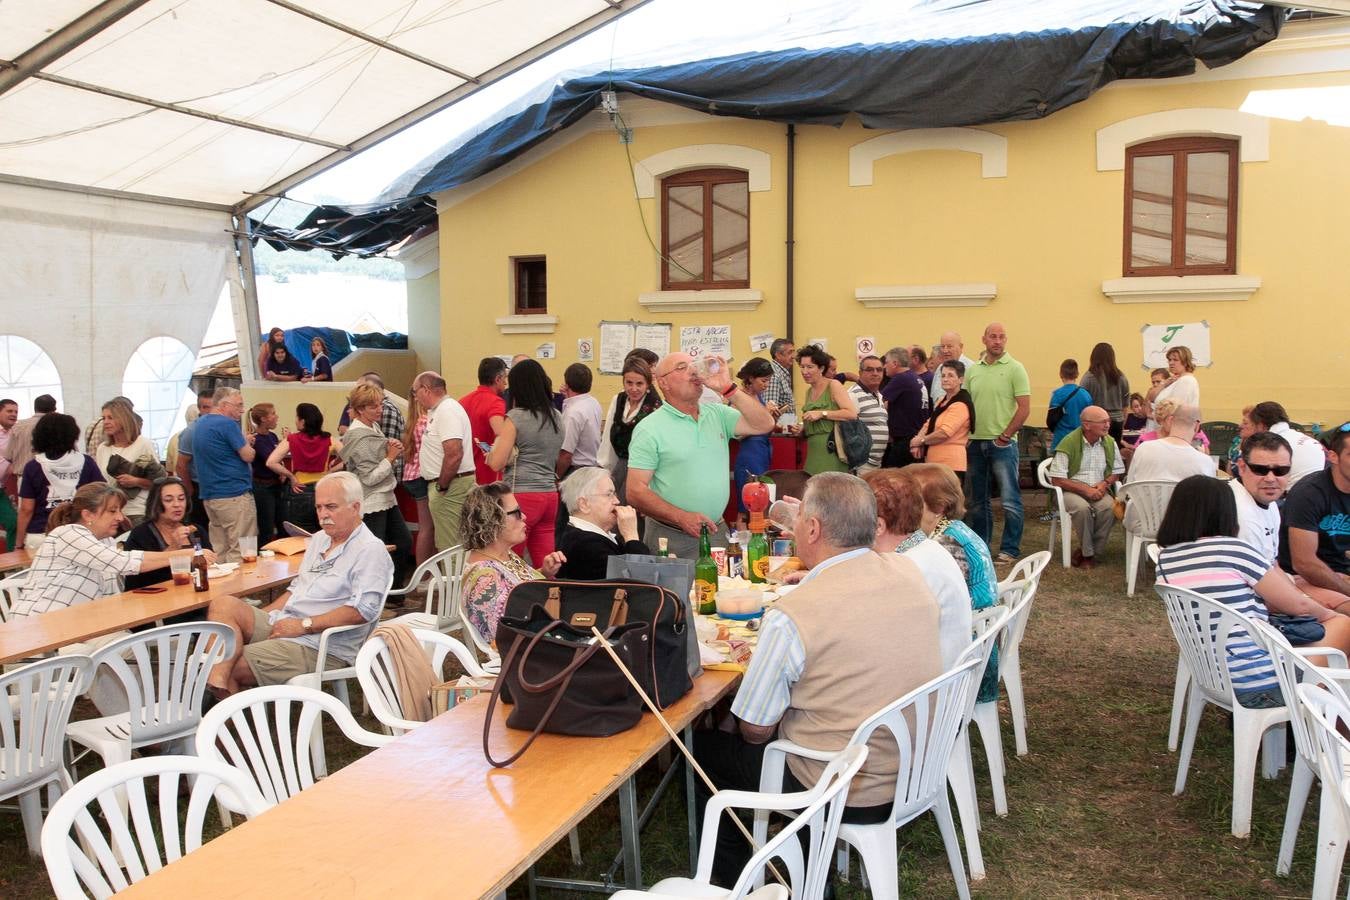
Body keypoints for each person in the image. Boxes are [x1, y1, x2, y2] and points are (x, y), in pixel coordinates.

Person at [691, 472, 942, 889]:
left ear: (812, 528)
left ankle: (736, 885)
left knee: (703, 753)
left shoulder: (795, 614)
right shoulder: (906, 569)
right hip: (912, 765)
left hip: (839, 782)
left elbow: (756, 730)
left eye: (800, 515)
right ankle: (805, 866)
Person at [1157, 474, 1350, 708]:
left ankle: (1315, 729)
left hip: (1214, 676)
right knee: (1343, 626)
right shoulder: (1234, 549)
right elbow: (1297, 605)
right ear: (1226, 511)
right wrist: (1328, 614)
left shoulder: (1165, 560)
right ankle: (1322, 732)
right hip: (1262, 683)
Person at [15, 483, 211, 712]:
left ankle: (135, 723)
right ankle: (134, 728)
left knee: (127, 646)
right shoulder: (68, 534)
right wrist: (187, 553)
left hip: (79, 627)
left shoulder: (105, 541)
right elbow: (125, 563)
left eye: (120, 510)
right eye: (112, 511)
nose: (120, 517)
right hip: (37, 631)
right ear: (88, 515)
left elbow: (111, 594)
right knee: (109, 653)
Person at [205, 472, 392, 696]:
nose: (323, 515)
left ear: (355, 507)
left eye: (331, 507)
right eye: (319, 507)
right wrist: (258, 622)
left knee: (230, 662)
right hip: (291, 623)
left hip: (321, 644)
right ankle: (217, 679)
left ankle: (229, 722)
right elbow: (296, 589)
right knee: (224, 604)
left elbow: (362, 610)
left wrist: (303, 625)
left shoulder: (370, 549)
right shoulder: (320, 539)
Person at [627, 351, 774, 559]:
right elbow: (635, 491)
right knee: (675, 592)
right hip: (671, 536)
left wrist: (728, 388)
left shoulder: (717, 414)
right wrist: (681, 517)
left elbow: (765, 424)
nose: (693, 371)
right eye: (681, 367)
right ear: (663, 383)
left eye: (693, 365)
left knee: (721, 590)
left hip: (715, 531)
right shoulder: (649, 428)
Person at [909, 462, 1002, 703]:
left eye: (912, 502)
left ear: (938, 507)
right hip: (976, 643)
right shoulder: (955, 530)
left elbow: (932, 604)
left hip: (966, 662)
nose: (903, 508)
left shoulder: (947, 543)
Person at [865, 468, 971, 667]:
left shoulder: (905, 568)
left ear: (878, 526)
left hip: (930, 688)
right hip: (947, 677)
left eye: (857, 517)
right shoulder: (926, 548)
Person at [459, 482, 566, 647]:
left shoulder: (504, 555)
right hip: (529, 657)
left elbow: (515, 588)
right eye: (516, 512)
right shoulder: (485, 580)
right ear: (492, 520)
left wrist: (544, 572)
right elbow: (501, 641)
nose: (524, 517)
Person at [485, 359, 564, 565]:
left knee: (510, 560)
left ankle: (513, 597)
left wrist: (492, 453)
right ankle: (549, 595)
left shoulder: (516, 417)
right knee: (545, 562)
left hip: (522, 495)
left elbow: (497, 463)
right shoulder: (556, 416)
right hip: (549, 494)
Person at [964, 322, 1031, 563]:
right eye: (993, 337)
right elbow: (965, 406)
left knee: (1010, 498)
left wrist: (1005, 436)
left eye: (1002, 337)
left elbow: (1024, 408)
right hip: (974, 442)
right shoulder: (973, 370)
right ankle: (982, 546)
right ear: (984, 339)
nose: (997, 341)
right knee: (977, 500)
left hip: (1002, 444)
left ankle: (1010, 549)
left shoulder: (1015, 368)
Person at [339, 382, 413, 589]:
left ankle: (392, 594)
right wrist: (390, 457)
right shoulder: (358, 435)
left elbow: (379, 459)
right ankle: (374, 596)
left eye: (380, 404)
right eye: (374, 406)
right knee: (374, 552)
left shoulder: (373, 427)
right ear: (360, 409)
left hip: (385, 496)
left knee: (402, 543)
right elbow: (370, 478)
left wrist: (391, 450)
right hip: (371, 499)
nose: (380, 409)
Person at [1280, 424, 1350, 612]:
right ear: (1333, 457)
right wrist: (1345, 587)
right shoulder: (1310, 493)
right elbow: (1304, 563)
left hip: (1340, 574)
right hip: (1301, 577)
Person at [1047, 406, 1123, 568]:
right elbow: (1057, 479)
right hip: (1071, 490)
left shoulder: (1109, 442)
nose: (1107, 425)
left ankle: (1087, 551)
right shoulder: (1068, 442)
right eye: (1103, 422)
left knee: (1111, 508)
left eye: (1108, 421)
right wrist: (1085, 490)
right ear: (1087, 425)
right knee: (1082, 509)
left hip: (1099, 489)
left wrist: (1104, 484)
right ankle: (1088, 555)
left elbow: (1117, 471)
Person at [16, 413, 105, 550]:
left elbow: (26, 509)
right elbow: (102, 495)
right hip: (80, 532)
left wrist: (19, 543)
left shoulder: (33, 466)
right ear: (73, 435)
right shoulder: (86, 462)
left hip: (41, 533)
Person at [194, 387, 257, 563]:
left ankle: (221, 588)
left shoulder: (201, 423)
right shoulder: (227, 424)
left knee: (219, 549)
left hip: (211, 496)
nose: (242, 410)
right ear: (224, 405)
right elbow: (248, 455)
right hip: (234, 494)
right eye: (239, 405)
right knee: (241, 549)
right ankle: (239, 589)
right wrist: (246, 443)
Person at [414, 371, 475, 552]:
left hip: (451, 486)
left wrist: (442, 486)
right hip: (449, 484)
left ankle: (455, 580)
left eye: (415, 392)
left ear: (426, 389)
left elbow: (454, 453)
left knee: (450, 547)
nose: (415, 398)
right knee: (449, 542)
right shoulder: (440, 410)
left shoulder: (447, 410)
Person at [555, 467, 649, 580]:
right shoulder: (586, 544)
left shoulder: (585, 535)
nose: (617, 501)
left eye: (615, 494)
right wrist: (631, 535)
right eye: (609, 495)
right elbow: (641, 581)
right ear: (584, 504)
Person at [123, 476, 211, 592]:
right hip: (156, 600)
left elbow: (210, 567)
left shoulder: (196, 530)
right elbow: (136, 580)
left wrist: (210, 561)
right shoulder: (141, 534)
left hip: (197, 593)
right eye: (168, 500)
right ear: (155, 503)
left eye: (181, 499)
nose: (177, 504)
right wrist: (174, 547)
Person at [597, 357, 661, 505]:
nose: (634, 389)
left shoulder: (656, 407)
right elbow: (607, 437)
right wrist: (604, 470)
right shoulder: (619, 400)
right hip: (619, 467)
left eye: (639, 384)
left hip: (643, 473)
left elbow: (659, 450)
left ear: (648, 384)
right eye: (629, 383)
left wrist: (651, 489)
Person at [92, 397, 165, 526]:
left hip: (138, 511)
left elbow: (159, 481)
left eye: (111, 418)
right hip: (111, 513)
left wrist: (136, 481)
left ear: (123, 419)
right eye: (104, 418)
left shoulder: (143, 444)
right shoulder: (103, 448)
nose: (106, 422)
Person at [266, 403, 336, 535]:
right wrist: (331, 471)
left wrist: (290, 476)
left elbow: (271, 462)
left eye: (297, 417)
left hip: (299, 489)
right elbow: (349, 457)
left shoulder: (291, 439)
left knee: (300, 535)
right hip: (323, 490)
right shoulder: (329, 439)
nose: (295, 420)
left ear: (302, 421)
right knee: (324, 534)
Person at [795, 345, 858, 475]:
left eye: (810, 367)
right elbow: (815, 420)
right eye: (802, 367)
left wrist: (822, 413)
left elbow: (851, 414)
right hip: (813, 451)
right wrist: (803, 428)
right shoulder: (809, 391)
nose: (804, 371)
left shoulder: (833, 385)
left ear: (821, 368)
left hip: (832, 450)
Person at [1125, 403, 1216, 487]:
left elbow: (1130, 483)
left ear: (1171, 420)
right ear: (1197, 426)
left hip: (1144, 504)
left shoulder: (1143, 448)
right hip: (1182, 504)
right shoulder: (1205, 462)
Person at [910, 360, 973, 482]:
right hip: (934, 462)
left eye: (950, 375)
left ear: (961, 380)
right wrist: (917, 441)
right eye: (943, 376)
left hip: (951, 464)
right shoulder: (942, 401)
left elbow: (944, 432)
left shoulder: (960, 404)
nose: (945, 379)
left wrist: (921, 440)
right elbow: (928, 424)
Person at [731, 358, 775, 522]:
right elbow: (736, 434)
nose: (767, 385)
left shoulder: (757, 396)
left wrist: (771, 418)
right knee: (746, 508)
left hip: (762, 453)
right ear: (750, 379)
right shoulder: (739, 398)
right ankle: (743, 543)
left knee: (761, 504)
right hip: (749, 457)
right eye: (763, 380)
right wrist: (763, 413)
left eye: (769, 380)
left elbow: (764, 427)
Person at [1246, 401, 1325, 488]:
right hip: (1320, 490)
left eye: (1253, 426)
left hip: (1291, 495)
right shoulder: (1304, 438)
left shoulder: (1271, 446)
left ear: (1261, 426)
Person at [174, 388, 215, 538]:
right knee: (201, 529)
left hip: (218, 487)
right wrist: (190, 491)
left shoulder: (222, 426)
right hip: (199, 487)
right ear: (199, 408)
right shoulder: (191, 432)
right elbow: (181, 465)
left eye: (212, 406)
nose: (209, 411)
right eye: (205, 407)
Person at [460, 357, 508, 485]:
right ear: (497, 379)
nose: (506, 383)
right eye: (505, 378)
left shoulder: (463, 401)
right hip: (490, 475)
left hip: (465, 473)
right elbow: (501, 433)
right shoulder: (496, 402)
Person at [401, 391, 435, 564]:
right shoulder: (425, 421)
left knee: (426, 526)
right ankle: (423, 576)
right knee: (428, 527)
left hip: (412, 475)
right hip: (421, 476)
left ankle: (425, 574)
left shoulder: (412, 422)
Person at [879, 346, 925, 469]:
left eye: (886, 363)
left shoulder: (900, 378)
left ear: (895, 363)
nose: (884, 367)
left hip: (905, 439)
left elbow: (879, 400)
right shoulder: (916, 378)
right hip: (916, 435)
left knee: (891, 475)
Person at [557, 363, 603, 478]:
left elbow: (566, 454)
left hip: (575, 471)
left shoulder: (573, 412)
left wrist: (557, 477)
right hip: (591, 467)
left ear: (567, 384)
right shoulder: (593, 402)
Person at [248, 403, 285, 545]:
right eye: (273, 414)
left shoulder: (273, 436)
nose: (277, 417)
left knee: (282, 523)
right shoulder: (256, 440)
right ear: (263, 419)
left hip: (276, 485)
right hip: (263, 487)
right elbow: (270, 460)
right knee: (267, 527)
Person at [3, 392, 55, 492]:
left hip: (24, 479)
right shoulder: (58, 425)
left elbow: (8, 456)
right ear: (53, 409)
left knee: (26, 508)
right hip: (52, 479)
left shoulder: (18, 426)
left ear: (35, 408)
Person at [1080, 342, 1131, 443]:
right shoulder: (1121, 377)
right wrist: (1121, 423)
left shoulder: (1088, 377)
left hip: (1095, 422)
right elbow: (1125, 407)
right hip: (1117, 421)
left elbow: (1082, 402)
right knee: (1112, 454)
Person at [848, 355, 888, 475]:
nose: (875, 373)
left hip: (876, 462)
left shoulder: (879, 395)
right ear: (860, 373)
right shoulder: (853, 395)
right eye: (870, 370)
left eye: (879, 370)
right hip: (861, 463)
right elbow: (847, 430)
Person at [1145, 345, 1200, 431]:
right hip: (1165, 431)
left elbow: (1175, 411)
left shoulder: (1186, 381)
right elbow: (1151, 397)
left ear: (1185, 362)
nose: (1171, 363)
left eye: (1175, 360)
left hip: (1174, 432)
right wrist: (1164, 384)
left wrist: (1155, 416)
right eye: (1169, 360)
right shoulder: (1174, 380)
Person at [1047, 359, 1091, 449]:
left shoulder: (1057, 394)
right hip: (1080, 440)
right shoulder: (1086, 395)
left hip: (1061, 440)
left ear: (1061, 374)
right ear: (1077, 374)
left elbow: (1050, 420)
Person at [929, 331, 977, 405]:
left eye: (949, 346)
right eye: (942, 346)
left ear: (960, 347)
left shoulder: (971, 368)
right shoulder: (940, 368)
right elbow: (934, 395)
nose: (945, 350)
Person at [762, 338, 796, 419]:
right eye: (790, 352)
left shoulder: (781, 373)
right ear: (778, 355)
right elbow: (771, 413)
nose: (793, 356)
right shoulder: (774, 375)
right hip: (779, 430)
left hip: (785, 428)